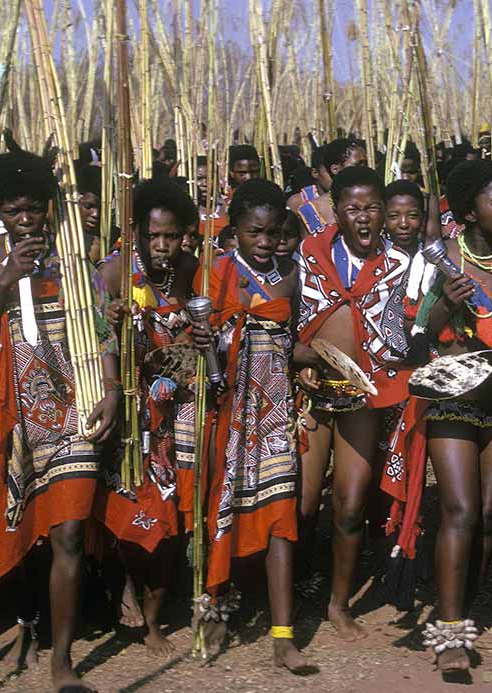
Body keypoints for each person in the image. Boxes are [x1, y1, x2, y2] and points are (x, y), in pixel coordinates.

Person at [0, 138, 120, 691]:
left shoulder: (73, 250)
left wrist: (112, 388)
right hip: (13, 415)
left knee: (69, 532)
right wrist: (6, 280)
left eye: (33, 208)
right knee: (5, 526)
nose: (25, 219)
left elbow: (100, 328)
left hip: (75, 405)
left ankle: (62, 663)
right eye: (13, 210)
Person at [397, 160, 492, 675]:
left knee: (486, 515)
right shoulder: (440, 260)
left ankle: (463, 603)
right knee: (460, 510)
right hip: (452, 396)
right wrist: (446, 304)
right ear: (468, 212)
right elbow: (415, 339)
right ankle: (448, 632)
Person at [191, 178, 310, 672]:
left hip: (276, 411)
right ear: (234, 231)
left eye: (273, 232)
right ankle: (216, 609)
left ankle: (283, 637)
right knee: (224, 508)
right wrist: (205, 340)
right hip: (229, 410)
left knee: (281, 515)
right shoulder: (214, 274)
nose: (264, 242)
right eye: (253, 232)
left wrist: (320, 360)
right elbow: (196, 343)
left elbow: (290, 341)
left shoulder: (291, 274)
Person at [294, 165, 410, 640]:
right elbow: (299, 315)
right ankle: (295, 585)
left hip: (364, 394)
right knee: (303, 504)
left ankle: (338, 604)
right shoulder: (311, 252)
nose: (364, 217)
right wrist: (302, 357)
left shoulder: (398, 263)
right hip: (311, 391)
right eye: (353, 208)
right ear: (336, 211)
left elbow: (397, 335)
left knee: (350, 503)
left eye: (373, 208)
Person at [95, 178, 199, 655]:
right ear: (136, 233)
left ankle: (155, 613)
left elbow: (208, 331)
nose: (162, 246)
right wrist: (114, 321)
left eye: (171, 236)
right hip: (132, 409)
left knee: (172, 504)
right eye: (153, 236)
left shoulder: (192, 270)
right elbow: (97, 337)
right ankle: (125, 590)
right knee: (128, 501)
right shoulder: (114, 272)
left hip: (178, 406)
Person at [293, 137, 368, 237]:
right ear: (335, 169)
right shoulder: (311, 210)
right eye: (358, 165)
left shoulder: (376, 200)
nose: (364, 170)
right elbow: (307, 246)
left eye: (365, 164)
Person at [384, 179, 425, 257]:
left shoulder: (433, 257)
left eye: (412, 215)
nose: (404, 224)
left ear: (422, 218)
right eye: (393, 216)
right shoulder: (373, 259)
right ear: (383, 220)